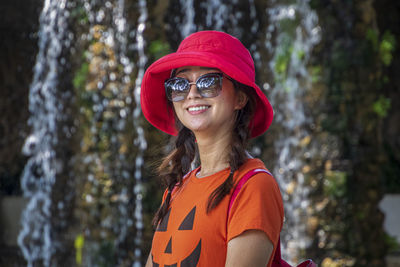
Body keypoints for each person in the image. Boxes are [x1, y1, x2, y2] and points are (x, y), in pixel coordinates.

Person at [141, 30, 284, 267]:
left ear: (240, 98)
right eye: (180, 84)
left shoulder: (253, 186)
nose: (192, 94)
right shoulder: (177, 188)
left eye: (209, 82)